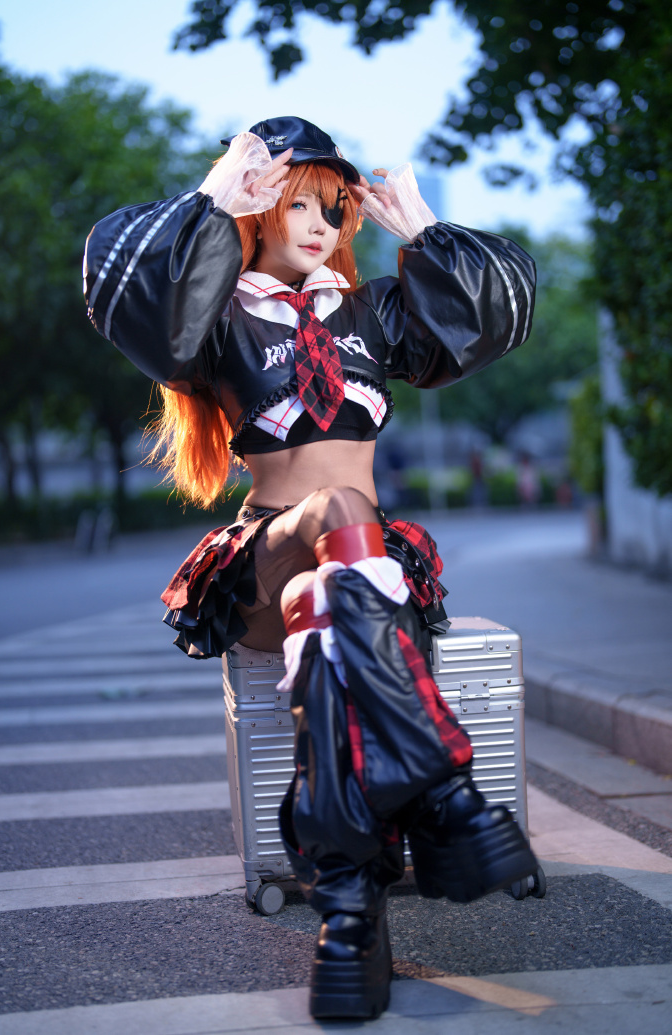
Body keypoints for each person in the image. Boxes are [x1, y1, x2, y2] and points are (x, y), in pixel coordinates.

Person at [83, 116, 538, 1021]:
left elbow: (497, 315)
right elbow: (134, 300)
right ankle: (443, 791)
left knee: (332, 602)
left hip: (357, 569)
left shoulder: (376, 314)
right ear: (261, 211)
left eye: (335, 209)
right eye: (299, 204)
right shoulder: (216, 315)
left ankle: (350, 919)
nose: (321, 225)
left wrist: (423, 231)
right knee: (335, 514)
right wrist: (215, 201)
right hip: (263, 552)